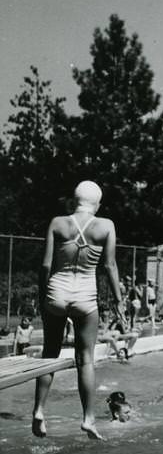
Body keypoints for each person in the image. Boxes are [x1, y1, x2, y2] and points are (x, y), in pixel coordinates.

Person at [32, 181, 123, 440]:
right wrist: (118, 301)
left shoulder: (57, 223)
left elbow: (45, 265)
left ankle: (39, 410)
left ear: (74, 201)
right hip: (85, 297)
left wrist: (43, 296)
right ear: (98, 204)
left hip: (57, 292)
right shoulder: (106, 226)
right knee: (85, 360)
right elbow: (110, 266)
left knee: (49, 354)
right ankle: (88, 419)